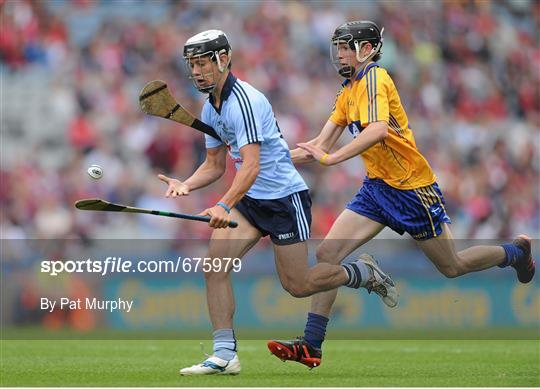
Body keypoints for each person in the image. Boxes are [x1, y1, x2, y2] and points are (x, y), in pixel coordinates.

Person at [267, 20, 536, 369]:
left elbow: (377, 131)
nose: (339, 54)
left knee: (451, 265)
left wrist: (332, 158)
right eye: (337, 47)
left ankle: (515, 252)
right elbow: (317, 146)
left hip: (411, 189)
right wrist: (265, 160)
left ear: (366, 50)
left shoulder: (376, 79)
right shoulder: (348, 90)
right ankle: (312, 345)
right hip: (377, 188)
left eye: (346, 46)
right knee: (327, 251)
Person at [157, 29, 397, 376]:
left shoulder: (246, 101)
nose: (196, 71)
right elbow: (214, 165)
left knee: (297, 286)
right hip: (251, 200)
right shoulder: (210, 108)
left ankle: (362, 273)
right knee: (214, 267)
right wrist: (186, 184)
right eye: (192, 65)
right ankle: (224, 354)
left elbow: (251, 165)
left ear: (223, 60)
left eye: (203, 63)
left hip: (284, 200)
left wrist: (223, 205)